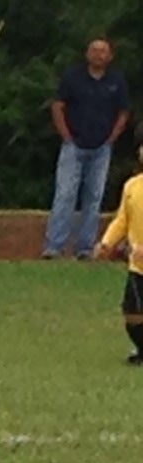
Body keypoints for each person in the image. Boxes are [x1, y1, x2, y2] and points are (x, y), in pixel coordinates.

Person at [44, 38, 131, 260]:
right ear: (87, 54)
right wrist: (66, 136)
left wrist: (112, 138)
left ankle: (84, 248)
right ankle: (54, 247)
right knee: (65, 194)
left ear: (110, 56)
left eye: (103, 51)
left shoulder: (116, 81)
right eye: (94, 50)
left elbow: (123, 111)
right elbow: (57, 106)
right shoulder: (73, 77)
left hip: (101, 148)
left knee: (93, 197)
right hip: (73, 146)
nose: (98, 54)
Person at [93, 145, 143, 363]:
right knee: (132, 315)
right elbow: (122, 219)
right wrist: (106, 243)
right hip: (138, 266)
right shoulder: (132, 186)